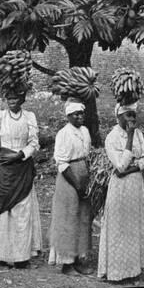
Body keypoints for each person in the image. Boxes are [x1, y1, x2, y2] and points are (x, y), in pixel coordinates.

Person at [0, 85, 42, 268]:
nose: (12, 101)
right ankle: (1, 255)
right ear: (5, 100)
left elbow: (34, 143)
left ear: (23, 98)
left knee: (21, 209)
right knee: (1, 209)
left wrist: (20, 154)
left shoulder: (29, 117)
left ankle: (21, 257)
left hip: (22, 167)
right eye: (9, 98)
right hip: (3, 167)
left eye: (16, 98)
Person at [97, 102, 144, 282]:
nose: (132, 119)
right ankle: (117, 273)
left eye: (133, 115)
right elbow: (120, 166)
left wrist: (135, 168)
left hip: (135, 186)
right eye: (128, 115)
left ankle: (133, 270)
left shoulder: (139, 134)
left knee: (133, 226)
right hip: (120, 189)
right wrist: (129, 137)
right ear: (118, 116)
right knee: (119, 228)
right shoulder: (111, 138)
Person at [49, 101, 94, 275]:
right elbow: (61, 162)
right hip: (69, 177)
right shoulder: (64, 133)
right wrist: (77, 185)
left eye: (81, 113)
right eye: (75, 114)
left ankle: (79, 258)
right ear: (68, 116)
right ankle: (66, 262)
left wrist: (87, 181)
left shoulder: (85, 131)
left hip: (83, 174)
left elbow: (87, 154)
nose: (79, 117)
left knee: (83, 218)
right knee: (68, 218)